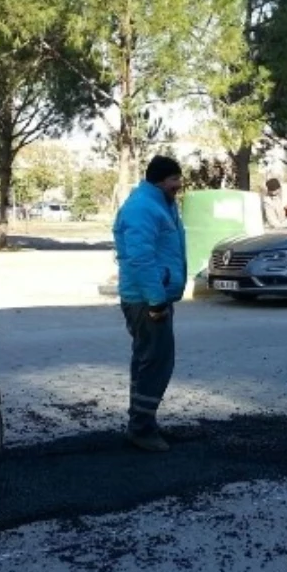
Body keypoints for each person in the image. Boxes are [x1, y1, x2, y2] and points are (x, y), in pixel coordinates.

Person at [112, 155, 188, 452]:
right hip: (146, 300)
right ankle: (141, 429)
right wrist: (156, 301)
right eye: (174, 179)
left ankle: (143, 421)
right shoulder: (143, 207)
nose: (178, 185)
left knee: (148, 360)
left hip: (153, 296)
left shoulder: (160, 204)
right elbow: (140, 258)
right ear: (160, 180)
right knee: (155, 363)